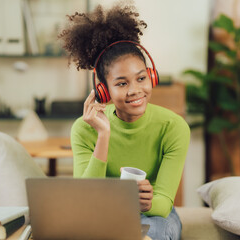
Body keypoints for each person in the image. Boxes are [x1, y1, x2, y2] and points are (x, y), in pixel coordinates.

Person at [59, 3, 190, 240]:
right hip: (103, 215)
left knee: (159, 228)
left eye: (141, 78)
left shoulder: (174, 127)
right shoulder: (83, 129)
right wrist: (103, 135)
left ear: (151, 76)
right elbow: (85, 199)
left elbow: (162, 205)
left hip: (153, 217)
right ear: (103, 91)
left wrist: (147, 201)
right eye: (121, 83)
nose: (135, 90)